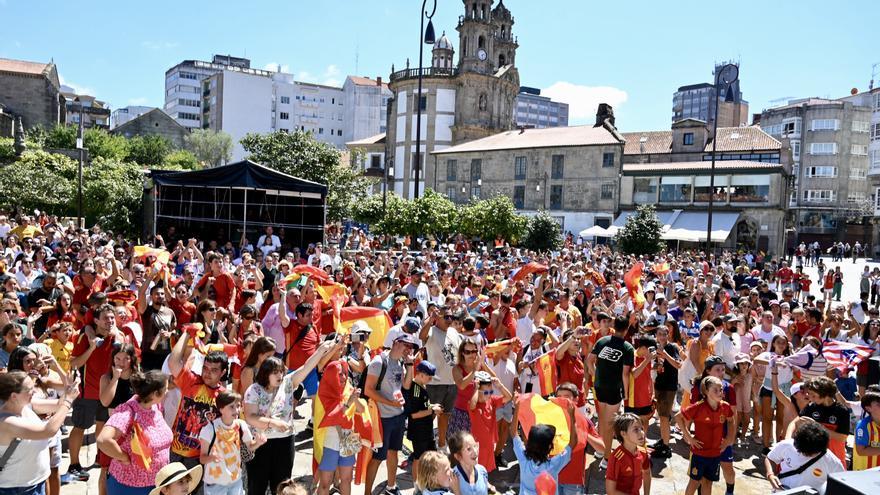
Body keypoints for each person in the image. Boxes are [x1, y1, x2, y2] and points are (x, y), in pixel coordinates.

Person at [243, 342, 334, 495]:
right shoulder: (254, 390)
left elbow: (306, 367)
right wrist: (273, 423)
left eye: (281, 372)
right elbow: (250, 417)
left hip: (285, 442)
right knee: (257, 485)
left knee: (283, 486)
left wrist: (321, 350)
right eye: (275, 372)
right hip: (260, 443)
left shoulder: (288, 383)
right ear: (266, 374)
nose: (280, 375)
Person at [166, 324, 230, 491]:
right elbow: (173, 361)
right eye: (205, 368)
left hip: (199, 458)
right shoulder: (192, 381)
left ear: (223, 373)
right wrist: (186, 334)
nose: (207, 373)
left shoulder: (224, 397)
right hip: (175, 451)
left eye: (214, 370)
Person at [68, 303, 125, 482]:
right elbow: (74, 363)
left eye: (112, 318)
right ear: (96, 321)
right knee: (79, 427)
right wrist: (91, 348)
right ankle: (74, 464)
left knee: (103, 427)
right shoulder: (84, 337)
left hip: (107, 393)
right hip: (87, 393)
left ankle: (100, 460)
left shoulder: (118, 337)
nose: (110, 321)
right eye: (106, 318)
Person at [0, 370, 79, 494]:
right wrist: (68, 400)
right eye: (29, 389)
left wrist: (68, 389)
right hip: (16, 489)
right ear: (14, 396)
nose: (34, 391)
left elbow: (59, 404)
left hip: (34, 483)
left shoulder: (26, 405)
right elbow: (48, 431)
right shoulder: (6, 422)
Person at [98, 370, 173, 495]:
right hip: (130, 487)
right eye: (165, 388)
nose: (167, 391)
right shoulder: (127, 412)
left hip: (156, 485)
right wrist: (123, 457)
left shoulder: (156, 406)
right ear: (155, 393)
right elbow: (103, 440)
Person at [364, 333, 419, 495]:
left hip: (398, 416)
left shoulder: (400, 362)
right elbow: (368, 389)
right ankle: (367, 493)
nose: (408, 349)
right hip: (383, 418)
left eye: (411, 347)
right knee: (377, 458)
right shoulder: (379, 362)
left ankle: (391, 486)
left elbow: (407, 386)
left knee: (394, 451)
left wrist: (410, 365)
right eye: (406, 345)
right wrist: (390, 403)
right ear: (395, 343)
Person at [675, 376, 736, 495]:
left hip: (715, 454)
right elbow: (678, 417)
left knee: (708, 482)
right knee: (694, 482)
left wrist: (729, 439)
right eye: (716, 390)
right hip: (699, 453)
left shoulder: (725, 407)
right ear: (706, 391)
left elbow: (731, 420)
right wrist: (688, 437)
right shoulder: (698, 407)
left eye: (721, 390)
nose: (720, 393)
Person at [587, 315, 634, 468]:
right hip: (614, 389)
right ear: (626, 329)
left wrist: (596, 375)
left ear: (614, 326)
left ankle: (601, 450)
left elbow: (589, 360)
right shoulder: (627, 348)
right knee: (608, 424)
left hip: (600, 387)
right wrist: (626, 393)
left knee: (602, 419)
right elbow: (625, 374)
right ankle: (606, 457)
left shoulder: (602, 341)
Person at [199, 391, 265, 495]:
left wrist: (258, 443)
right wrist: (211, 457)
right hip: (215, 484)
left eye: (238, 406)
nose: (236, 410)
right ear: (221, 409)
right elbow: (202, 459)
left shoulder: (241, 425)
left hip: (236, 481)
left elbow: (250, 446)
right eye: (231, 407)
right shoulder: (209, 429)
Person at [511, 398, 578, 495]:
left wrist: (517, 408)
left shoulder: (523, 459)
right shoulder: (554, 465)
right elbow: (573, 443)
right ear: (550, 446)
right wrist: (572, 417)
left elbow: (513, 433)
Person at [764, 420, 844, 495]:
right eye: (802, 452)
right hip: (782, 491)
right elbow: (770, 458)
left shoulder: (832, 462)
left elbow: (841, 485)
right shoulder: (788, 445)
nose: (806, 455)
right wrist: (770, 474)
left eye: (811, 453)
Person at [792, 376, 851, 467]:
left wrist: (817, 426)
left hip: (834, 459)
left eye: (813, 395)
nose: (810, 398)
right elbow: (797, 424)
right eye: (809, 394)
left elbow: (842, 438)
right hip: (813, 456)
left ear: (825, 393)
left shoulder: (841, 411)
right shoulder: (811, 407)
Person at [467, 371, 513, 473]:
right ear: (477, 391)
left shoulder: (491, 401)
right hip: (477, 446)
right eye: (486, 392)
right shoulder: (473, 404)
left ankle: (485, 485)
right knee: (477, 471)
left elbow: (509, 397)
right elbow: (472, 405)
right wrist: (475, 388)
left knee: (486, 471)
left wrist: (500, 386)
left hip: (489, 445)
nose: (489, 395)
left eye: (491, 392)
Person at [403, 360, 442, 477]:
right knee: (418, 459)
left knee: (432, 457)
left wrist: (432, 406)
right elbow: (414, 414)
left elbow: (423, 405)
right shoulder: (415, 390)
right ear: (421, 375)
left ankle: (430, 482)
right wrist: (432, 410)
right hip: (419, 431)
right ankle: (417, 486)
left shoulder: (422, 386)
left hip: (427, 429)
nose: (430, 380)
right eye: (429, 378)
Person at [606, 412, 651, 495]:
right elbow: (610, 491)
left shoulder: (643, 452)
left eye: (641, 428)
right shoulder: (616, 458)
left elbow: (647, 472)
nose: (641, 433)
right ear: (623, 434)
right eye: (636, 429)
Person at [853, 390, 880, 470]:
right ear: (868, 408)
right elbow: (861, 451)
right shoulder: (863, 426)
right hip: (865, 473)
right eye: (878, 404)